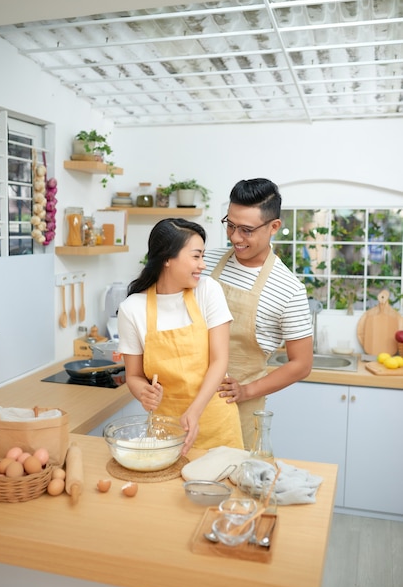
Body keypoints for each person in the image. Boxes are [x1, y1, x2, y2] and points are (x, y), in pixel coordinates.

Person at [117, 217, 244, 456]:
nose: (203, 265)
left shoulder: (207, 291)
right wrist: (142, 392)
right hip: (167, 431)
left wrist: (194, 412)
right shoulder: (132, 308)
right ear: (167, 258)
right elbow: (133, 375)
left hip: (217, 424)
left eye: (203, 256)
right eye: (196, 256)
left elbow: (219, 361)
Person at [203, 178, 313, 449]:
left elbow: (301, 364)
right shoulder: (205, 262)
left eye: (246, 230)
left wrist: (246, 391)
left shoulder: (289, 290)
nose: (235, 237)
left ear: (274, 226)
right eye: (230, 224)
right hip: (187, 399)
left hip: (237, 411)